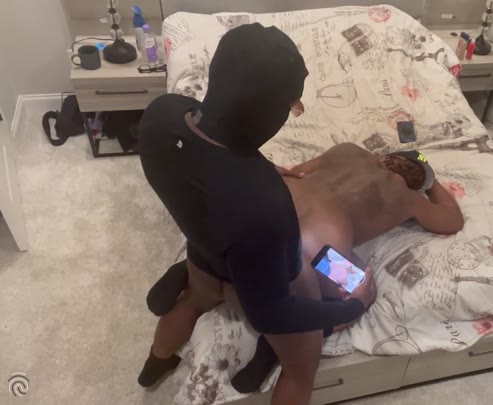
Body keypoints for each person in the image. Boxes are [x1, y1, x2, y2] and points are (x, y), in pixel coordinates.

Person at [136, 24, 377, 405]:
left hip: (205, 251)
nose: (291, 114)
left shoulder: (160, 116)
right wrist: (354, 305)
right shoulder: (265, 204)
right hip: (283, 269)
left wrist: (260, 167)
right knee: (306, 362)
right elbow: (271, 314)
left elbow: (214, 148)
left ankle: (156, 361)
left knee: (192, 301)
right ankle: (278, 351)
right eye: (291, 106)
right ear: (267, 110)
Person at [147, 143, 465, 392]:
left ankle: (157, 357)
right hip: (319, 251)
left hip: (265, 216)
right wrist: (431, 183)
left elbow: (294, 173)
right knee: (362, 290)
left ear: (385, 157)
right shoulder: (410, 199)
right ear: (414, 183)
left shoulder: (348, 150)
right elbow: (452, 220)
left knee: (203, 287)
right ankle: (292, 335)